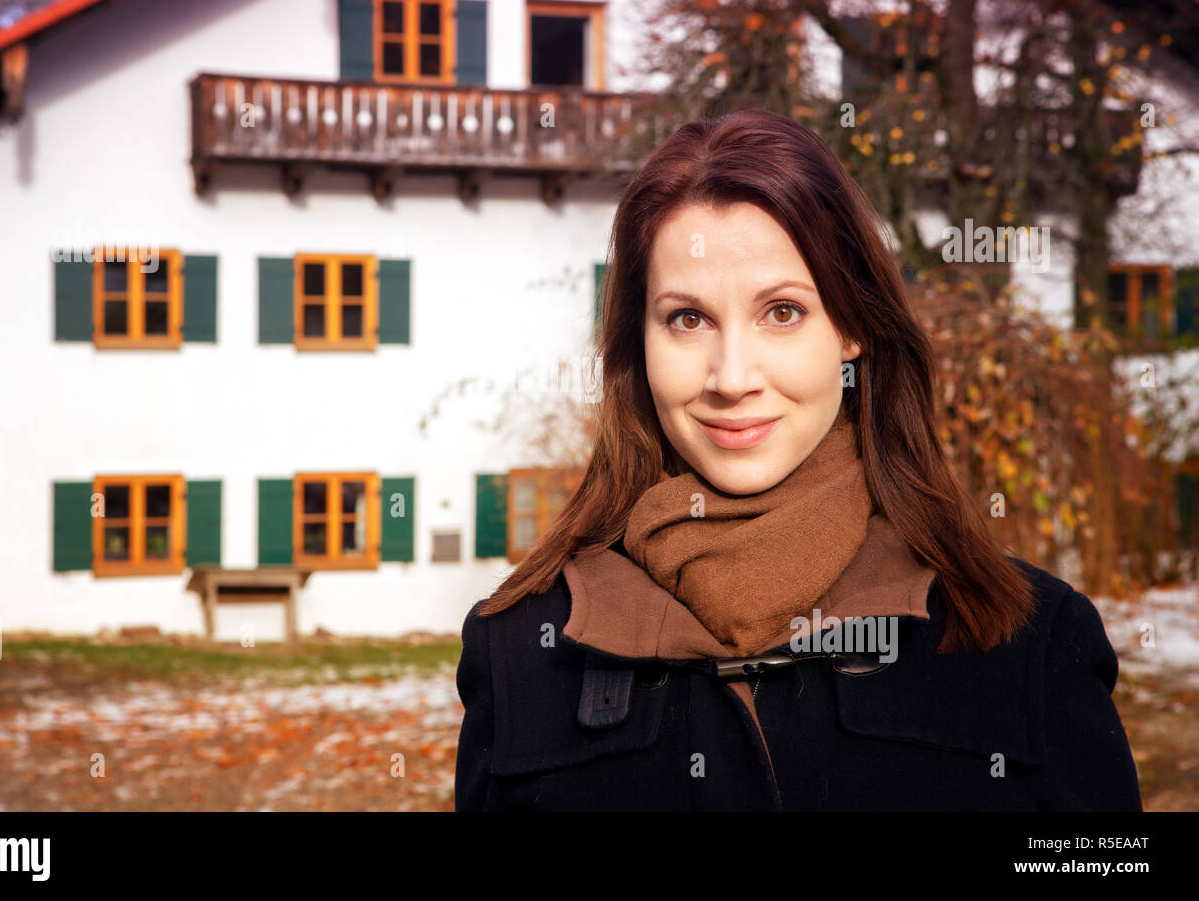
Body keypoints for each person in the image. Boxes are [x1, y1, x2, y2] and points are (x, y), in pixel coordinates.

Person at [452, 108, 1142, 811]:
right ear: (641, 344)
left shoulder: (1028, 643)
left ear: (851, 327)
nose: (731, 377)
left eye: (782, 312)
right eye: (687, 319)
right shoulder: (519, 655)